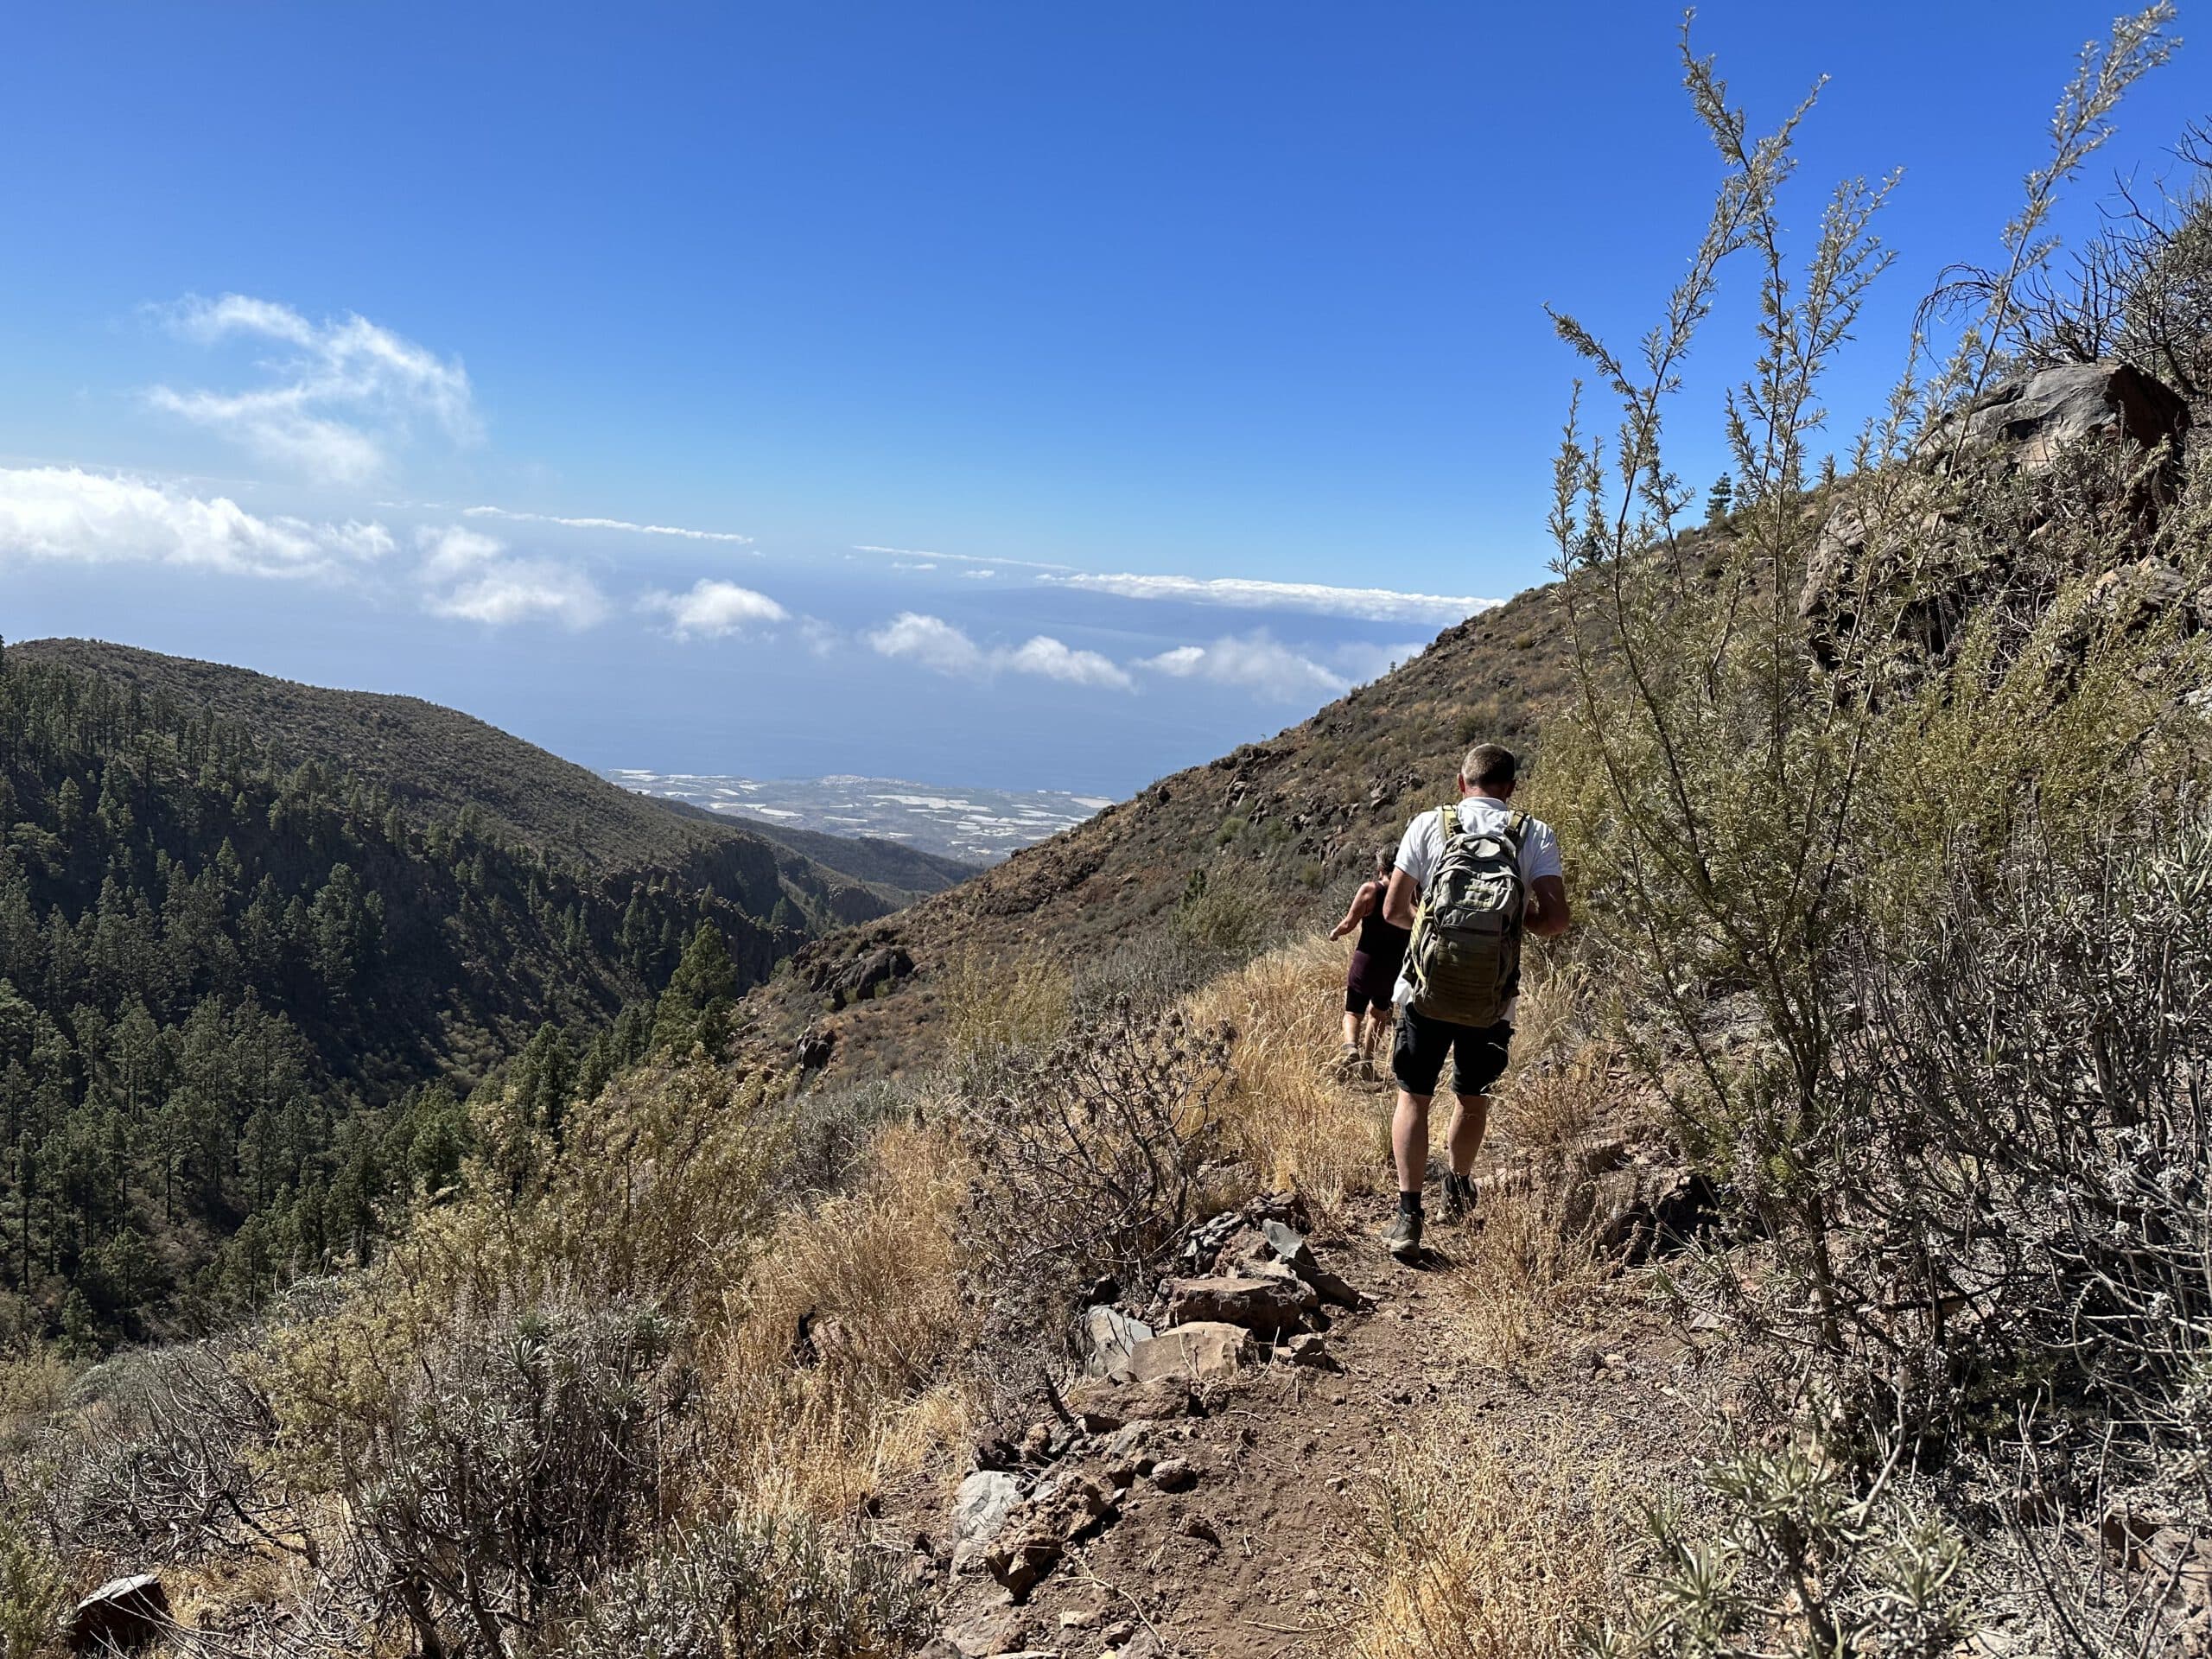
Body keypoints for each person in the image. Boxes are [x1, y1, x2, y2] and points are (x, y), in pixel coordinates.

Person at [1378, 743, 1569, 1260]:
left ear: (1462, 785)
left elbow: (1394, 910)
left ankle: (1407, 1215)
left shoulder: (1428, 825)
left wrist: (1436, 924)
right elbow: (1555, 920)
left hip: (1424, 990)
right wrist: (1511, 923)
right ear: (1510, 788)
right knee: (1471, 1097)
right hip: (1493, 999)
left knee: (1413, 1097)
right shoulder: (1533, 834)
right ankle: (1458, 1185)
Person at [1328, 847, 1408, 1077]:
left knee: (1353, 1011)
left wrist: (1335, 933)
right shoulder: (1409, 892)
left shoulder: (1371, 890)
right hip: (1392, 965)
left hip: (1367, 961)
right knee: (1379, 1013)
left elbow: (1349, 923)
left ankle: (1351, 1047)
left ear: (1380, 868)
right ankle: (1367, 1063)